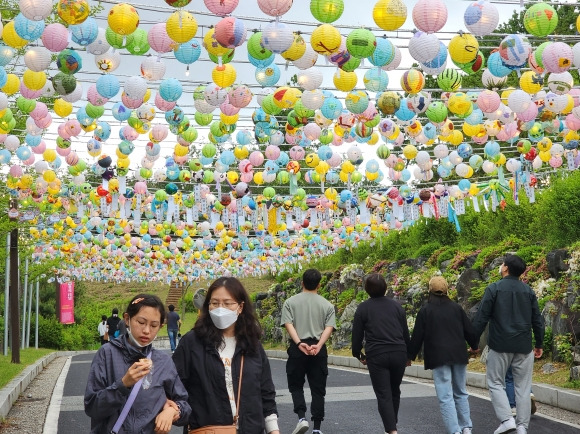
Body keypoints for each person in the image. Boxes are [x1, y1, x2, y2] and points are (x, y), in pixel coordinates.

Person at [173, 277, 280, 434]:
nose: (220, 308)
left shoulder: (252, 345)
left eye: (227, 303)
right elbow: (174, 386)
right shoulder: (192, 343)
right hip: (207, 430)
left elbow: (266, 393)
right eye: (214, 303)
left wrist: (273, 430)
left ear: (240, 306)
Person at [85, 294, 191, 433]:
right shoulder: (107, 354)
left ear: (161, 326)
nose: (147, 330)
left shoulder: (163, 362)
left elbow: (185, 406)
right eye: (141, 322)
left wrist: (172, 411)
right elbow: (92, 407)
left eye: (154, 325)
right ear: (127, 319)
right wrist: (123, 385)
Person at [473, 254, 545, 434]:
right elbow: (537, 319)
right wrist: (539, 343)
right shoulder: (528, 291)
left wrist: (473, 341)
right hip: (524, 346)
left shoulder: (494, 288)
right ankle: (522, 426)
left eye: (502, 263)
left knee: (496, 382)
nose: (501, 266)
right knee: (522, 387)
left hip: (500, 345)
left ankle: (507, 420)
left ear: (505, 268)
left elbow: (481, 318)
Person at [408, 276, 479, 434]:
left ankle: (455, 431)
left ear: (430, 290)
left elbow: (417, 336)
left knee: (445, 395)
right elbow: (470, 330)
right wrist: (474, 346)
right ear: (447, 290)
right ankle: (466, 427)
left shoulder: (426, 310)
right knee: (460, 391)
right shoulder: (456, 308)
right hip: (459, 354)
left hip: (438, 356)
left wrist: (409, 356)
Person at [352, 273, 410, 434]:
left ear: (367, 289)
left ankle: (392, 430)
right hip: (398, 351)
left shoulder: (363, 308)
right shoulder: (397, 306)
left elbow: (356, 336)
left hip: (377, 354)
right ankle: (393, 424)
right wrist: (409, 355)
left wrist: (358, 354)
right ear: (385, 288)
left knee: (384, 393)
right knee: (394, 389)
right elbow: (405, 333)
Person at [281, 268, 336, 434]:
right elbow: (329, 327)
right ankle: (317, 428)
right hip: (317, 350)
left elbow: (288, 324)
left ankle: (301, 417)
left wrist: (298, 343)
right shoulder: (327, 304)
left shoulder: (290, 302)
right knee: (318, 389)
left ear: (302, 282)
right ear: (319, 285)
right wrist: (319, 345)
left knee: (296, 385)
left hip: (299, 348)